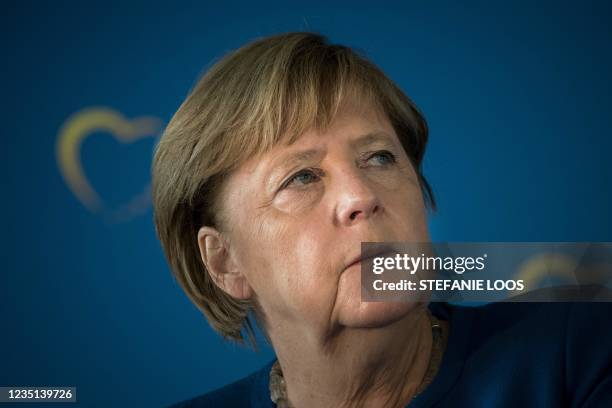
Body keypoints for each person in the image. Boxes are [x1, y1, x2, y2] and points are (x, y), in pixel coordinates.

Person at [151, 32, 612, 407]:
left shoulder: (579, 355)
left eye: (379, 158)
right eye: (303, 176)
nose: (360, 196)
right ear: (225, 261)